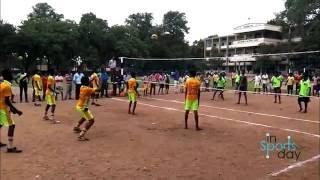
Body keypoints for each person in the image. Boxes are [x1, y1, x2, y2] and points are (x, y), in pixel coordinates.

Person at [0, 69, 23, 153]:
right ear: (8, 75)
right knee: (12, 125)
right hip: (3, 108)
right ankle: (10, 148)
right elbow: (7, 101)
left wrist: (12, 109)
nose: (13, 75)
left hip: (1, 107)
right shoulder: (7, 86)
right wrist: (17, 111)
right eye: (11, 73)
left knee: (0, 124)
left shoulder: (2, 84)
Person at [73, 76, 100, 141]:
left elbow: (87, 83)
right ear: (87, 82)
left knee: (84, 117)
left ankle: (76, 127)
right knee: (91, 120)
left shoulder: (82, 87)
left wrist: (92, 80)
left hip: (79, 106)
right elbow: (98, 89)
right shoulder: (88, 89)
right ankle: (81, 135)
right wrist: (99, 82)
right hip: (83, 107)